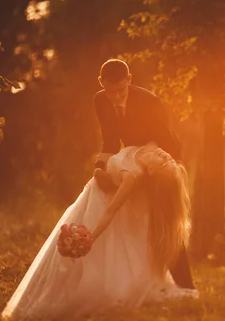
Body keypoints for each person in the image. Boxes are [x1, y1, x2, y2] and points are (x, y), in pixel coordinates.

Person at [1, 144, 195, 320]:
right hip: (89, 199)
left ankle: (86, 290)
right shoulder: (149, 147)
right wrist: (100, 169)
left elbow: (111, 210)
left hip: (100, 206)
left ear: (151, 171)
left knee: (98, 262)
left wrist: (90, 236)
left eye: (163, 162)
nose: (163, 154)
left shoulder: (133, 175)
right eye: (167, 157)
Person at [92, 59, 196, 291]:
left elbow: (168, 141)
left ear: (129, 80)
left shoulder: (149, 101)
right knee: (133, 217)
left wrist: (150, 157)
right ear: (101, 83)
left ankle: (186, 288)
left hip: (164, 160)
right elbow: (109, 139)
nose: (116, 97)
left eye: (121, 91)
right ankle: (140, 282)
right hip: (137, 160)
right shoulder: (100, 100)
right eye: (110, 91)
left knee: (165, 224)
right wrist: (101, 167)